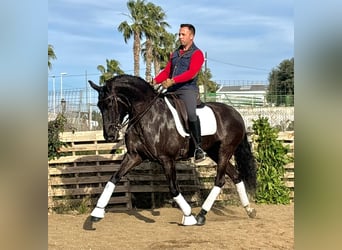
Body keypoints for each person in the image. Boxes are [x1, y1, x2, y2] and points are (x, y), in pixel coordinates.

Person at [152, 23, 206, 162]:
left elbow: (192, 73)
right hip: (172, 90)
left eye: (183, 34)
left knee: (191, 114)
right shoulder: (175, 53)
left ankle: (198, 148)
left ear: (191, 36)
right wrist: (154, 81)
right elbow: (167, 71)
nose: (180, 37)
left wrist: (173, 81)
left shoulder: (197, 54)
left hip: (187, 90)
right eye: (179, 34)